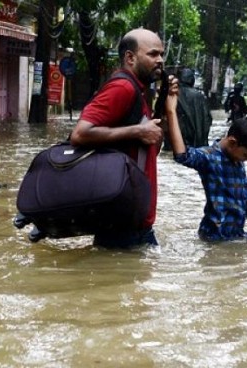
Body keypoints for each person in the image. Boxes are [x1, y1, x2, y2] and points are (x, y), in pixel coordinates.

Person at [70, 28, 165, 248]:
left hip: (134, 220)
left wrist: (168, 106)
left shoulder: (139, 90)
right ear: (130, 57)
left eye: (161, 54)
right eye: (152, 54)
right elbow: (80, 134)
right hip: (123, 223)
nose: (160, 60)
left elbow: (150, 150)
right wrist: (138, 131)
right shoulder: (123, 88)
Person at [165, 76, 247, 241]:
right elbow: (182, 155)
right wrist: (171, 111)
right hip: (214, 236)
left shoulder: (237, 161)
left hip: (235, 235)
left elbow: (246, 197)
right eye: (246, 155)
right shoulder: (209, 157)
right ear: (233, 143)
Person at [163, 68, 212, 150]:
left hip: (175, 139)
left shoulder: (172, 94)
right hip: (195, 142)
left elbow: (164, 118)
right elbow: (207, 119)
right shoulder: (200, 96)